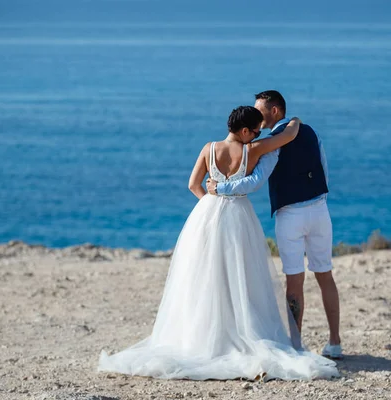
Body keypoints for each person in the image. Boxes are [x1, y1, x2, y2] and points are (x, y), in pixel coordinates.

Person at [98, 106, 339, 380]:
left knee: (205, 275)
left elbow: (193, 184)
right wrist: (294, 122)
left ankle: (203, 334)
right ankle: (240, 330)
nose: (258, 134)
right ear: (246, 131)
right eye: (256, 131)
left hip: (207, 217)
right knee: (241, 275)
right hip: (239, 216)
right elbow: (283, 141)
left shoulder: (208, 148)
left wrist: (211, 206)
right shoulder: (252, 151)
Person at [206, 91, 342, 359]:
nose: (258, 117)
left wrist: (219, 188)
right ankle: (335, 342)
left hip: (290, 215)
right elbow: (324, 168)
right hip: (320, 210)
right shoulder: (310, 132)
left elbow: (255, 181)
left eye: (261, 111)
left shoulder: (273, 143)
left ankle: (296, 345)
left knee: (294, 282)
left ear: (275, 111)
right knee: (325, 275)